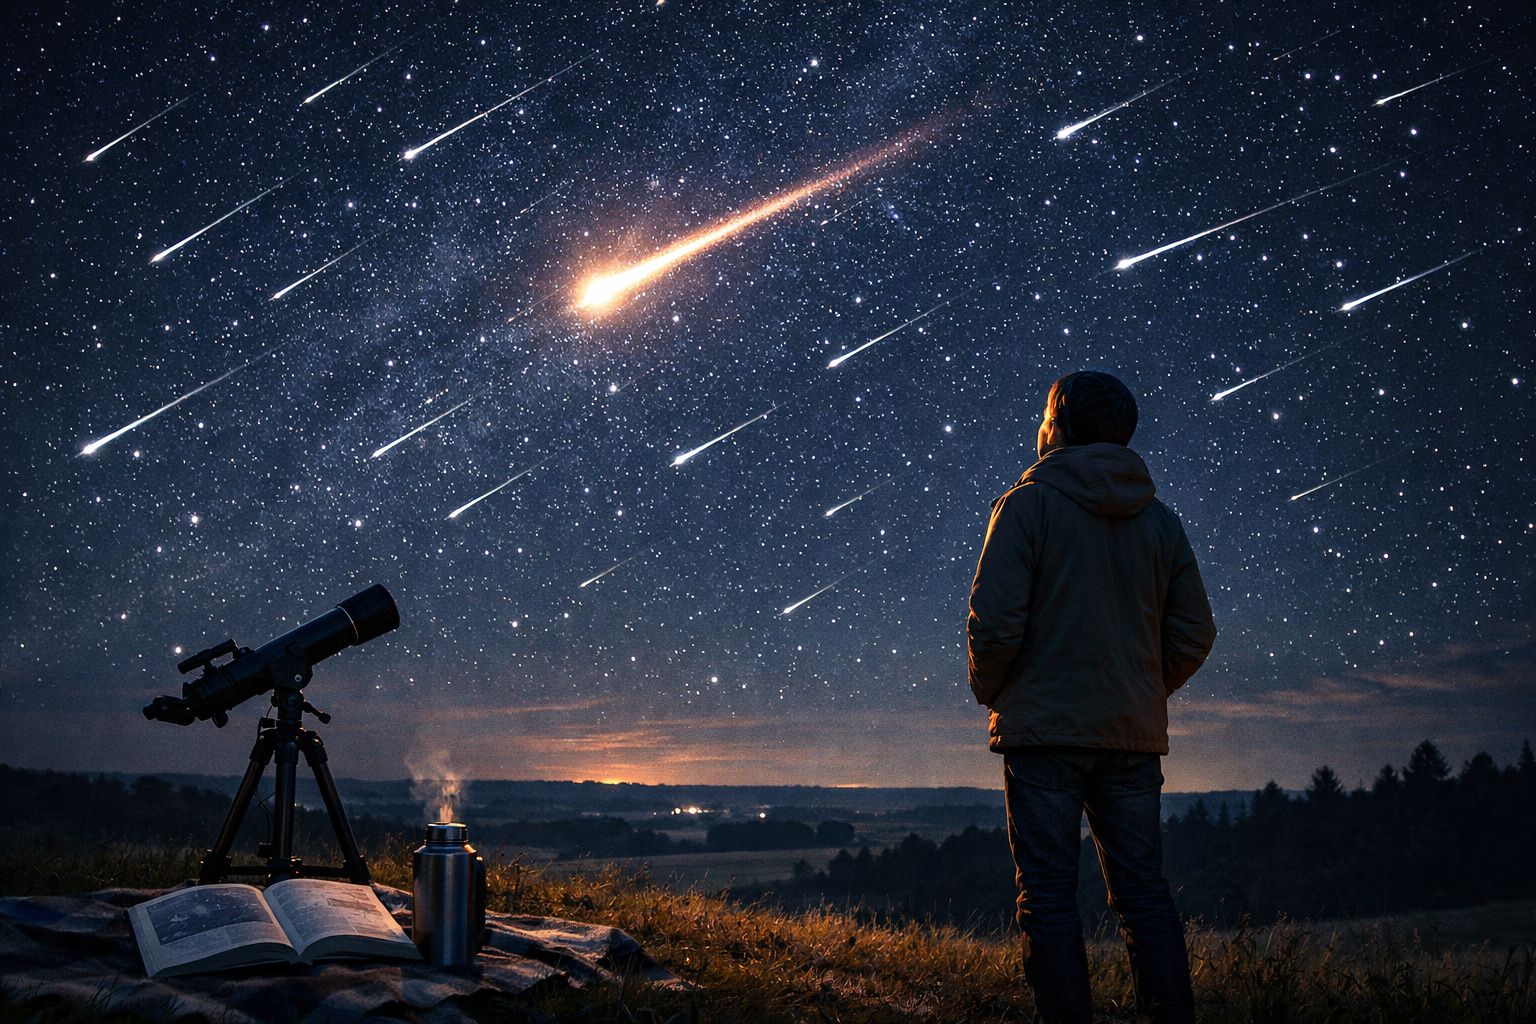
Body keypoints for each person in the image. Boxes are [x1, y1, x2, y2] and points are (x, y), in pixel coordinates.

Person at [966, 371, 1217, 1024]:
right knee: (1144, 897)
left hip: (1044, 732)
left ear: (1065, 423)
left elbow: (993, 623)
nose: (1041, 424)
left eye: (1047, 413)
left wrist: (994, 690)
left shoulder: (1025, 506)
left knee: (1047, 897)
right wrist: (1137, 688)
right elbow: (1194, 631)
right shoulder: (1161, 522)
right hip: (1128, 734)